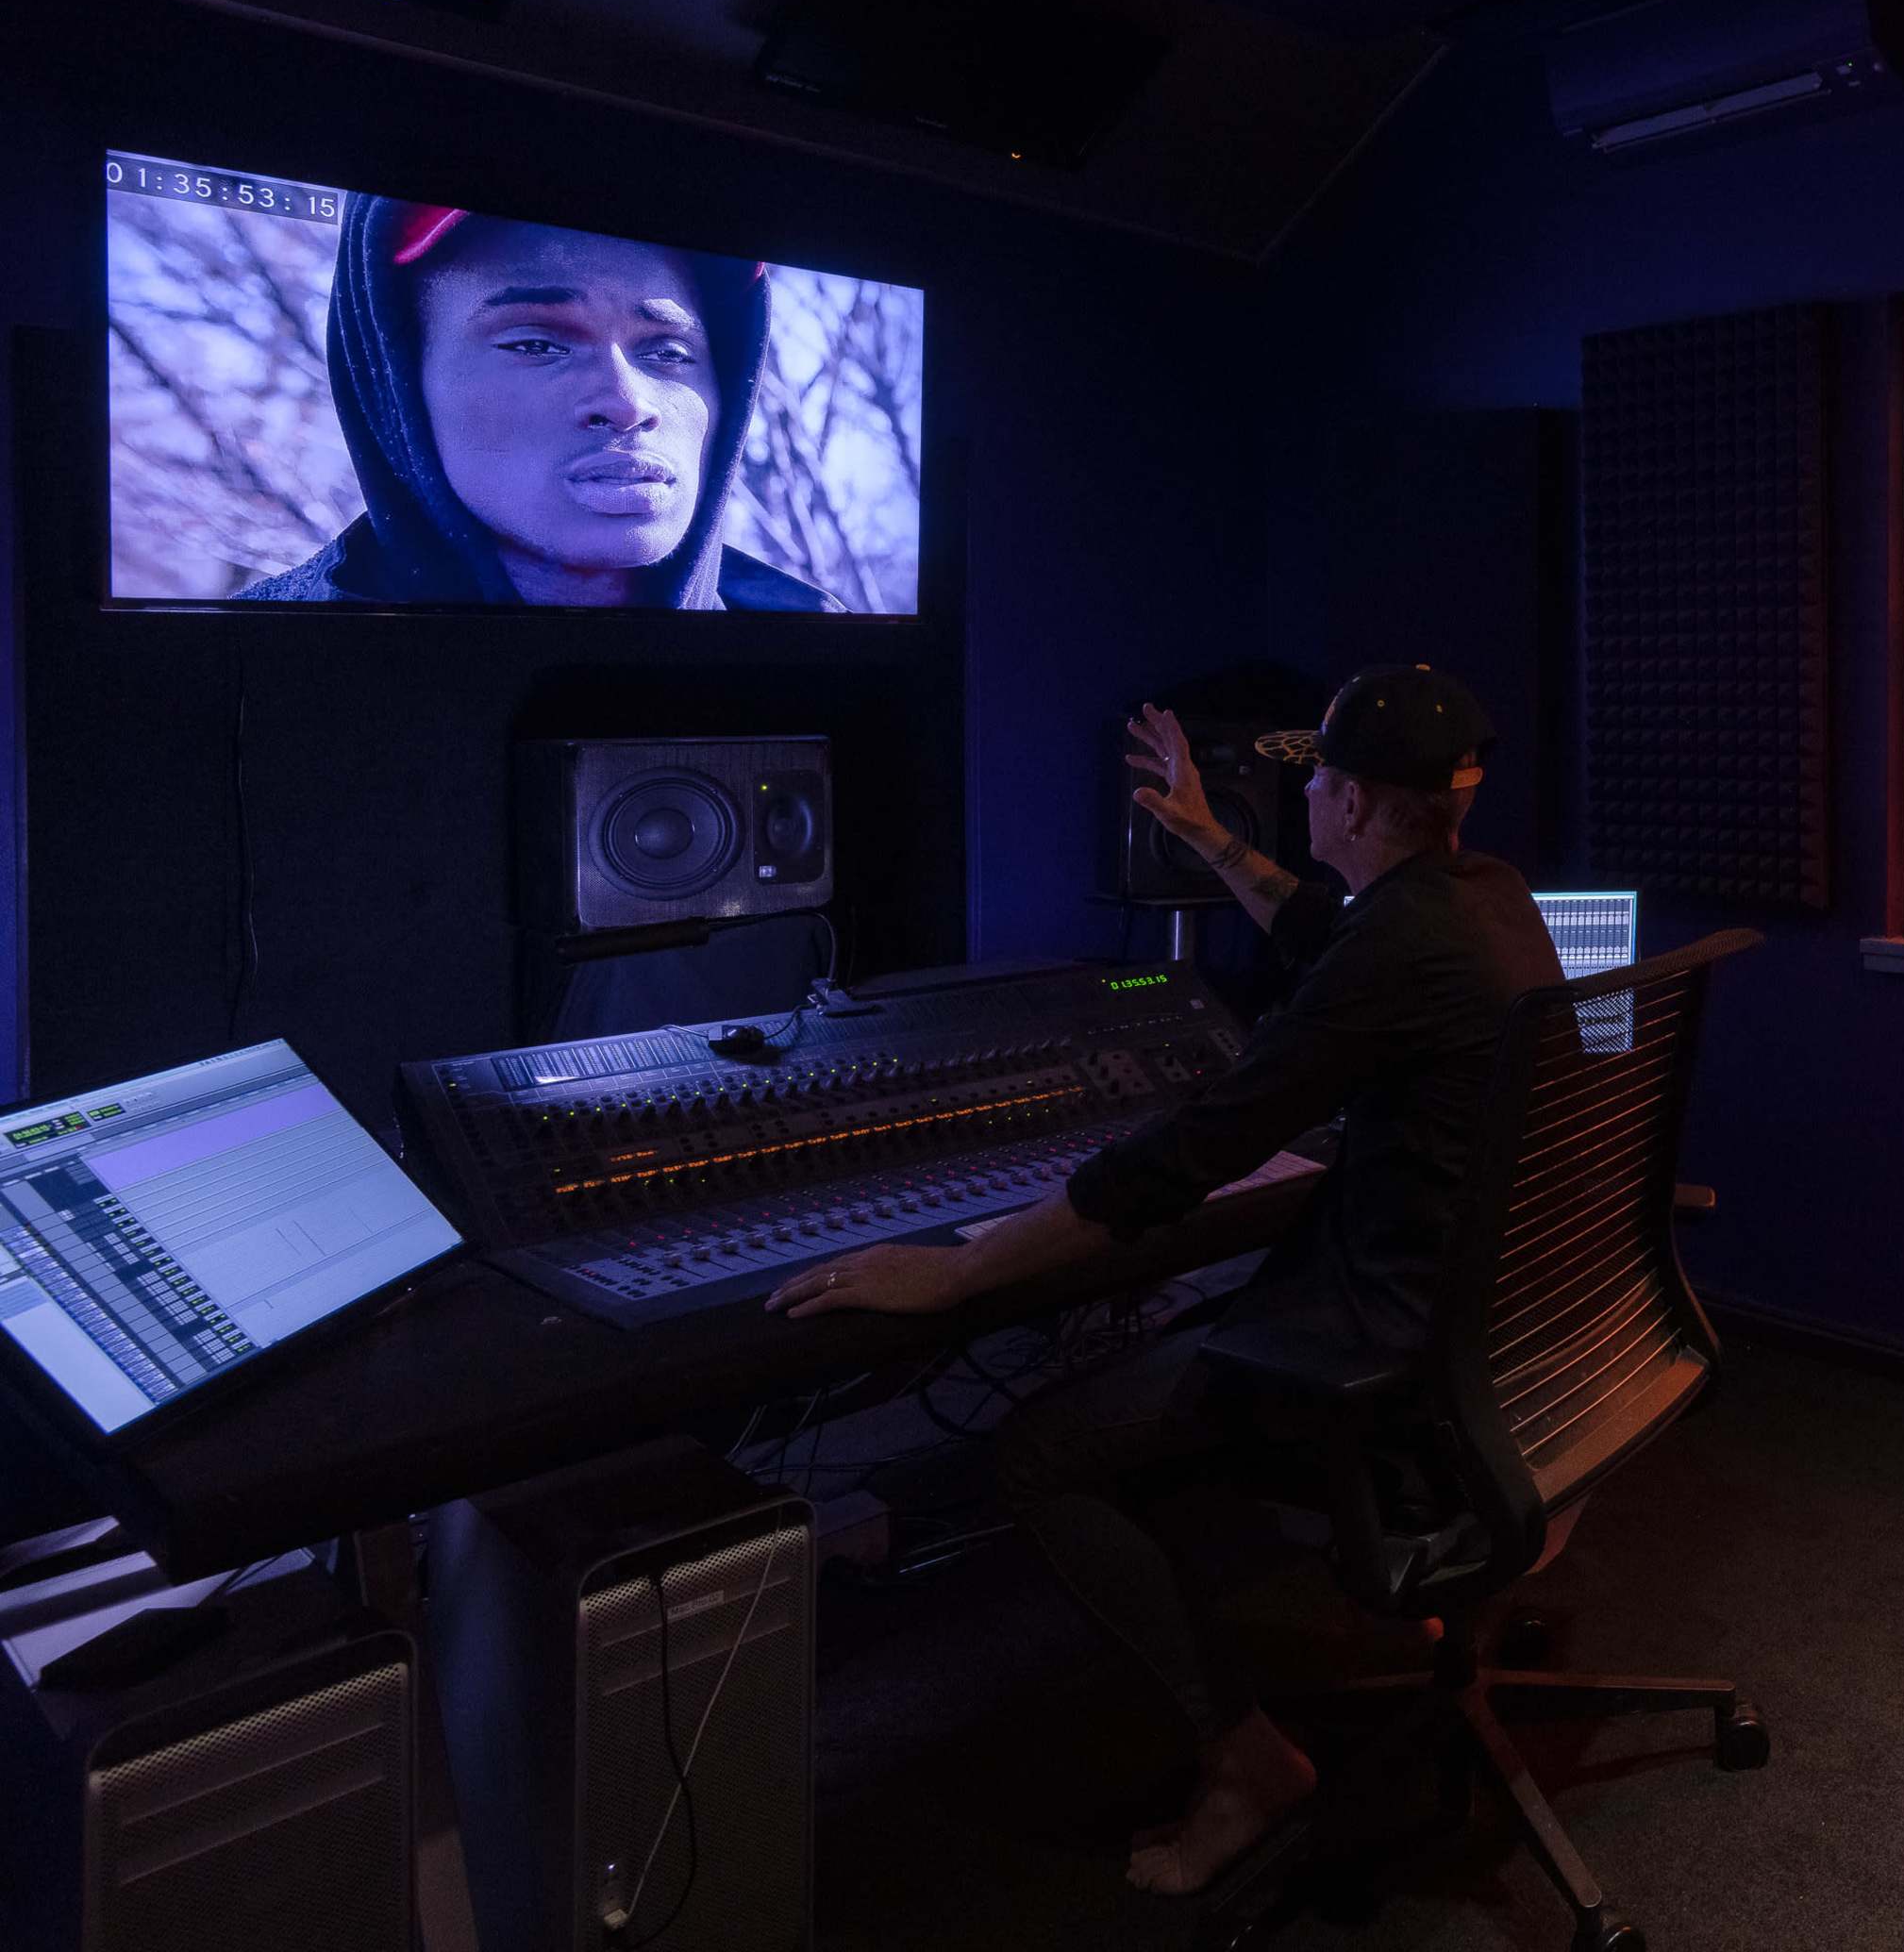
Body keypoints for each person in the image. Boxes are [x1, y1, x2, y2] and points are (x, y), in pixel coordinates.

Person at [776, 664, 1561, 1896]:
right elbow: (1324, 931)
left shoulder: (1401, 946)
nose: (1301, 802)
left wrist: (966, 1270)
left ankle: (1247, 1762)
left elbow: (1192, 1153)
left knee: (1040, 1456)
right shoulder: (1480, 898)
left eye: (1313, 786)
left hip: (1388, 1355)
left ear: (1347, 802)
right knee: (1173, 1340)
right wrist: (1202, 831)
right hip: (1494, 1334)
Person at [239, 193, 836, 609]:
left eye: (667, 352)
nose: (627, 404)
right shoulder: (245, 671)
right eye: (536, 343)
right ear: (397, 385)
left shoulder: (827, 664)